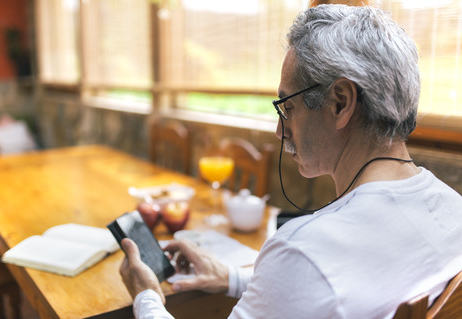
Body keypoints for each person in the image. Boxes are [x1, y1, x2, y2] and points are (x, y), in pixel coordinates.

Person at [119, 4, 462, 318]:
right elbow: (344, 292)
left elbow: (315, 278)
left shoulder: (304, 252)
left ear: (340, 103)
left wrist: (146, 296)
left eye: (288, 107)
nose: (279, 129)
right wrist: (233, 278)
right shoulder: (454, 209)